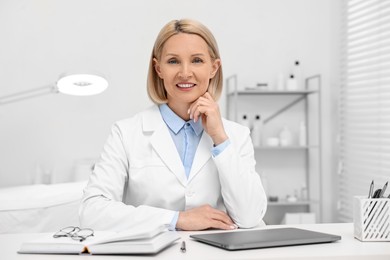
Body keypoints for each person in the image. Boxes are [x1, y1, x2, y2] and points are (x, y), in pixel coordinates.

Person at [79, 19, 267, 232]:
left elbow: (250, 218)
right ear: (158, 69)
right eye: (173, 61)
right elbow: (92, 212)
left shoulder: (235, 135)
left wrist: (220, 139)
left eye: (196, 60)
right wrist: (176, 219)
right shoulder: (126, 132)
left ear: (213, 68)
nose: (185, 73)